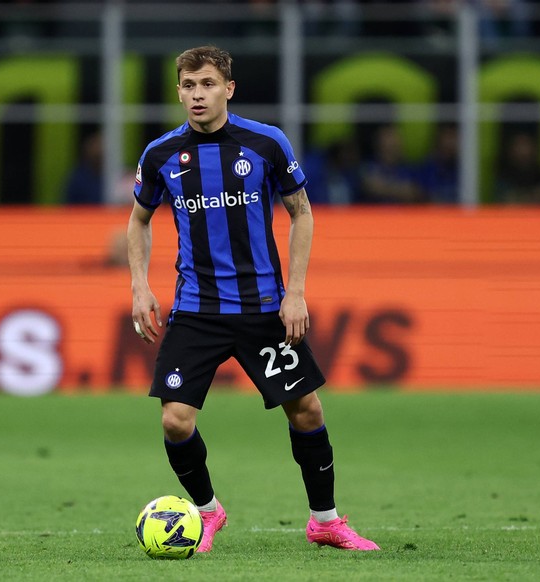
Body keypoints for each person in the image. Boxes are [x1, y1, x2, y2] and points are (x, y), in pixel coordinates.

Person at [126, 45, 380, 554]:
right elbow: (138, 219)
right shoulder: (160, 155)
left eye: (207, 85)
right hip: (197, 309)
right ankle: (206, 512)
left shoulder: (265, 143)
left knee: (305, 410)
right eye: (188, 86)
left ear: (228, 89)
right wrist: (139, 286)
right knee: (175, 419)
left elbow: (302, 213)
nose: (197, 95)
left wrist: (297, 293)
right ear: (178, 91)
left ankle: (325, 521)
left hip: (263, 307)